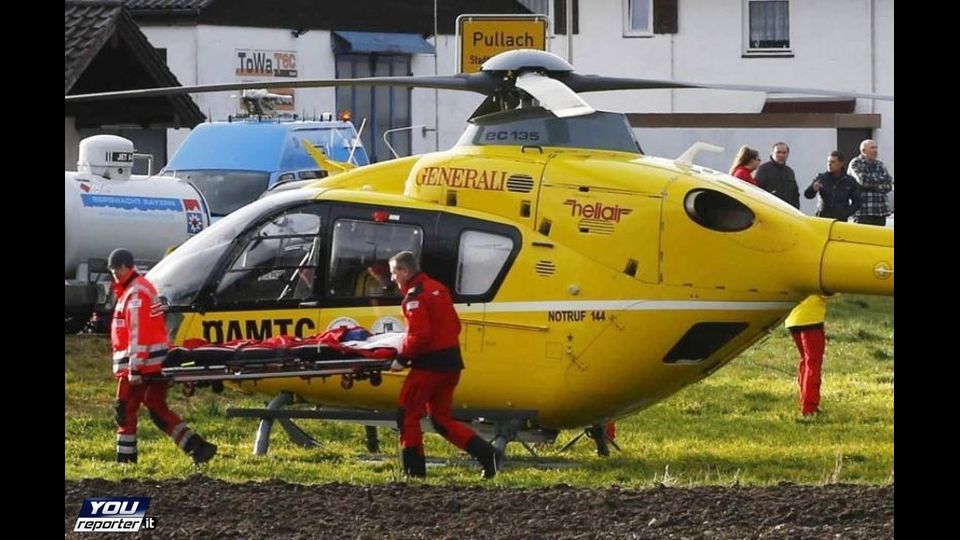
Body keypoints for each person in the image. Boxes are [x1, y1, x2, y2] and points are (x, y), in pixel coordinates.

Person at [388, 251, 501, 479]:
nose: (392, 279)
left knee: (407, 414)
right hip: (451, 365)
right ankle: (489, 456)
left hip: (430, 367)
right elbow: (455, 326)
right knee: (441, 419)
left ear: (405, 271)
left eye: (393, 272)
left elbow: (421, 336)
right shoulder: (437, 288)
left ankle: (414, 473)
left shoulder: (415, 297)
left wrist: (401, 359)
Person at [108, 248, 217, 464]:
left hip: (142, 364)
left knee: (125, 409)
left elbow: (139, 334)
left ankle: (125, 460)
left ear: (125, 267)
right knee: (156, 407)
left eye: (115, 270)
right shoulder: (137, 289)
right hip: (153, 362)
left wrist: (135, 368)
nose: (114, 274)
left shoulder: (135, 293)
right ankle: (196, 446)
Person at [785, 295, 827, 416]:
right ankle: (809, 407)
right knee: (813, 363)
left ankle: (805, 401)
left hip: (793, 319)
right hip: (811, 319)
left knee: (806, 360)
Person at [804, 151, 862, 221]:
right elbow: (807, 195)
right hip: (823, 219)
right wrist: (813, 189)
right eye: (828, 162)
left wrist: (846, 212)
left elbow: (858, 202)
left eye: (833, 162)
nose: (829, 164)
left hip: (840, 220)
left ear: (841, 164)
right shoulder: (822, 178)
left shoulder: (849, 181)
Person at [847, 139, 893, 226]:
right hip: (863, 212)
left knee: (879, 238)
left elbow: (889, 184)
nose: (875, 150)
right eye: (872, 148)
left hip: (880, 212)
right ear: (864, 151)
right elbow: (863, 181)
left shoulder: (880, 164)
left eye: (876, 148)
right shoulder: (856, 163)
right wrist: (880, 181)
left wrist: (873, 183)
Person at [756, 142, 800, 209]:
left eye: (784, 153)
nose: (781, 155)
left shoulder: (790, 172)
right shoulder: (764, 169)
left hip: (788, 212)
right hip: (770, 210)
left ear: (788, 154)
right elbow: (757, 191)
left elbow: (795, 194)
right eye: (778, 152)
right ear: (772, 153)